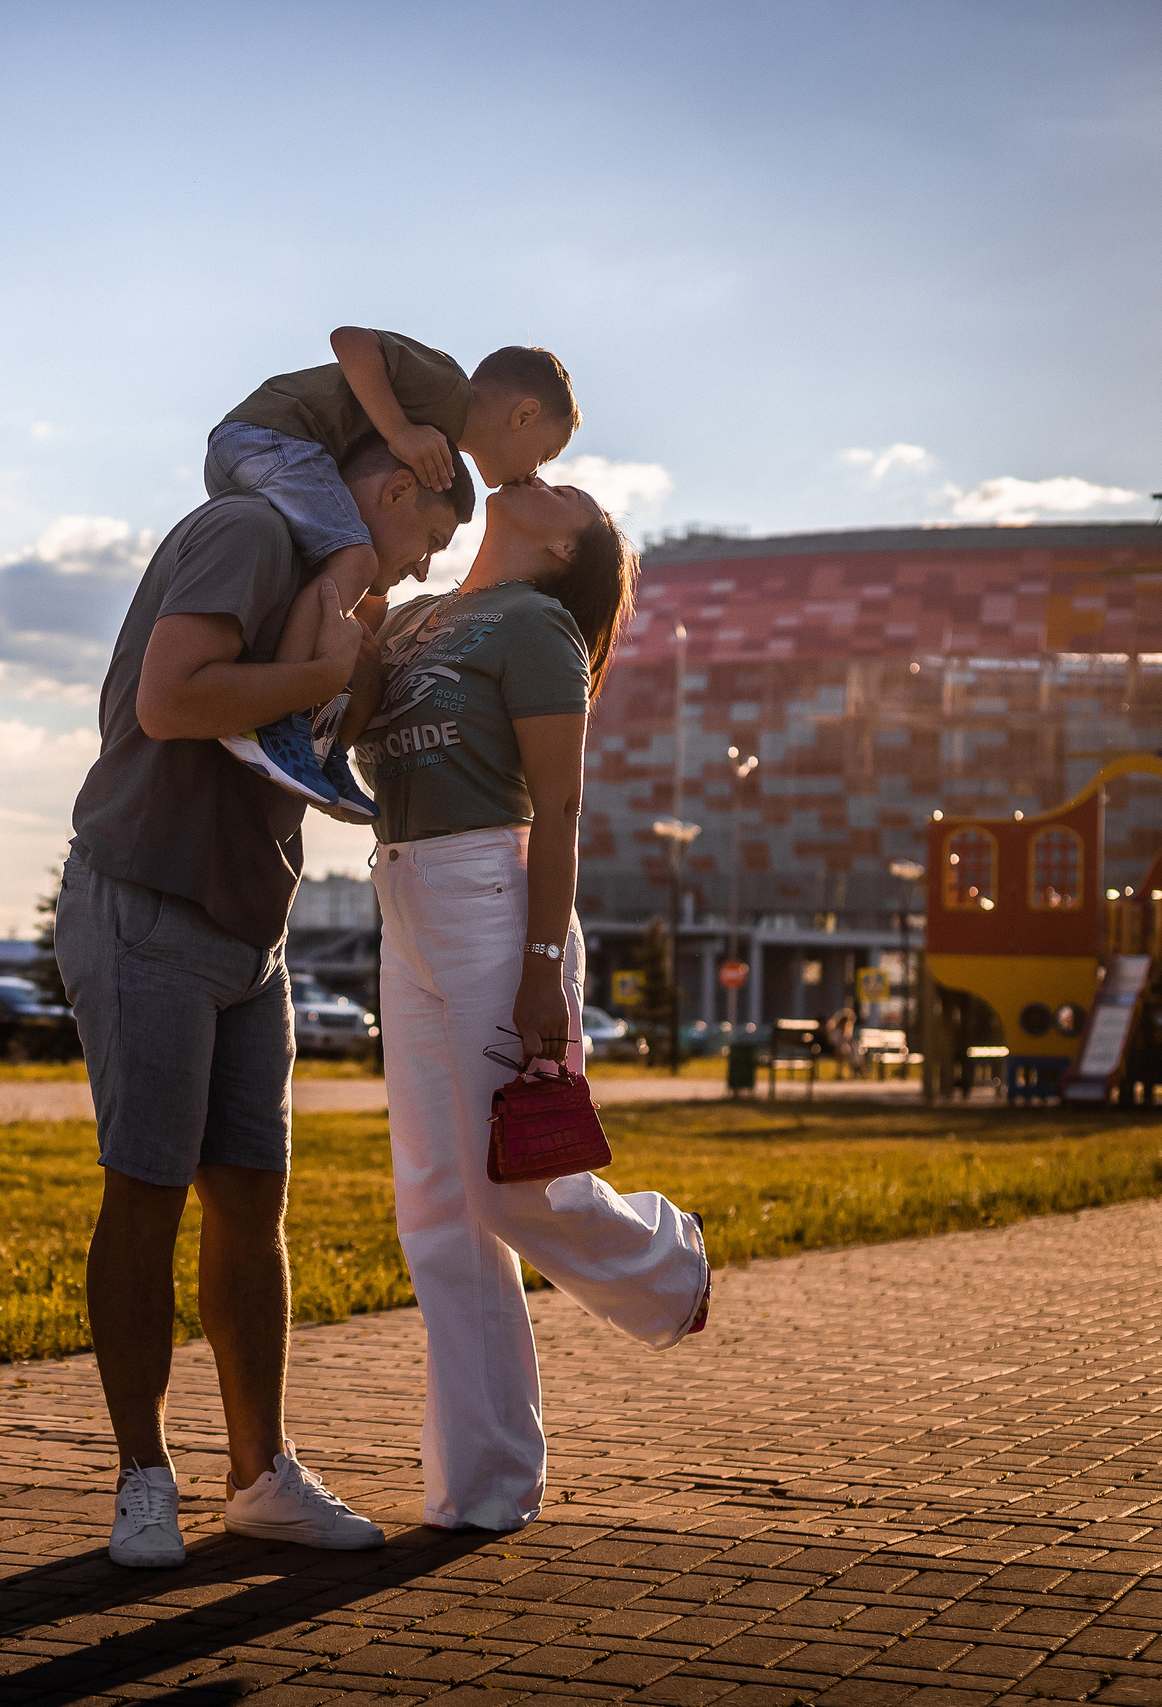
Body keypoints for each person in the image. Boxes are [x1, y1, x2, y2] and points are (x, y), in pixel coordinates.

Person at [57, 433, 466, 1569]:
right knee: (146, 1194)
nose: (425, 565)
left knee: (252, 1202)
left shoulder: (336, 602)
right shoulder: (252, 534)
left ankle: (259, 1476)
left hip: (252, 931)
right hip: (148, 898)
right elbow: (172, 699)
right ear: (395, 489)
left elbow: (321, 755)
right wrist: (327, 671)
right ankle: (144, 1481)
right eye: (430, 538)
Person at [342, 476, 711, 1533]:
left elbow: (559, 806)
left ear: (564, 551)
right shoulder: (415, 618)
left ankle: (665, 1265)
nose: (541, 480)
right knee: (437, 1211)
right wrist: (366, 605)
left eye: (569, 495)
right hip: (403, 890)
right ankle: (483, 1486)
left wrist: (543, 965)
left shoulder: (538, 624)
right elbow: (350, 724)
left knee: (509, 1190)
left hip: (493, 901)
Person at [209, 331, 578, 821]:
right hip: (265, 437)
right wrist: (400, 430)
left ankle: (318, 741)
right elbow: (350, 341)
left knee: (354, 596)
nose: (535, 473)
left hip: (271, 452)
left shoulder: (437, 434)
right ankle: (280, 723)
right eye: (544, 455)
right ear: (524, 415)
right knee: (357, 560)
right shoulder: (447, 388)